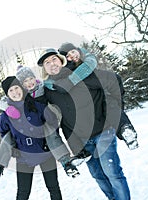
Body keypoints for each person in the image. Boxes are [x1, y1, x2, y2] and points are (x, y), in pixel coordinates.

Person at [37, 48, 131, 200]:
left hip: (103, 131)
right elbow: (34, 108)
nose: (51, 63)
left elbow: (114, 80)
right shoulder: (48, 90)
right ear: (44, 69)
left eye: (53, 59)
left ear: (61, 60)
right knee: (98, 176)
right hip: (81, 141)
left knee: (112, 171)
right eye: (46, 63)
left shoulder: (81, 74)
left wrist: (116, 108)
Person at [0, 76, 63, 200]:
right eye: (11, 91)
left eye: (16, 88)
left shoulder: (36, 105)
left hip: (44, 153)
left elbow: (52, 122)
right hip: (24, 157)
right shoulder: (5, 115)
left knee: (53, 187)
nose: (15, 92)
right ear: (7, 95)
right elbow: (4, 133)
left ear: (21, 88)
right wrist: (14, 148)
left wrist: (49, 142)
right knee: (23, 193)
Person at [45, 42, 139, 150]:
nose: (72, 56)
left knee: (108, 101)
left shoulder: (88, 67)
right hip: (85, 127)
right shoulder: (66, 75)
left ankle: (124, 129)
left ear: (79, 51)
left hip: (102, 114)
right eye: (67, 56)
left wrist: (119, 105)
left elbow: (114, 80)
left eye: (73, 52)